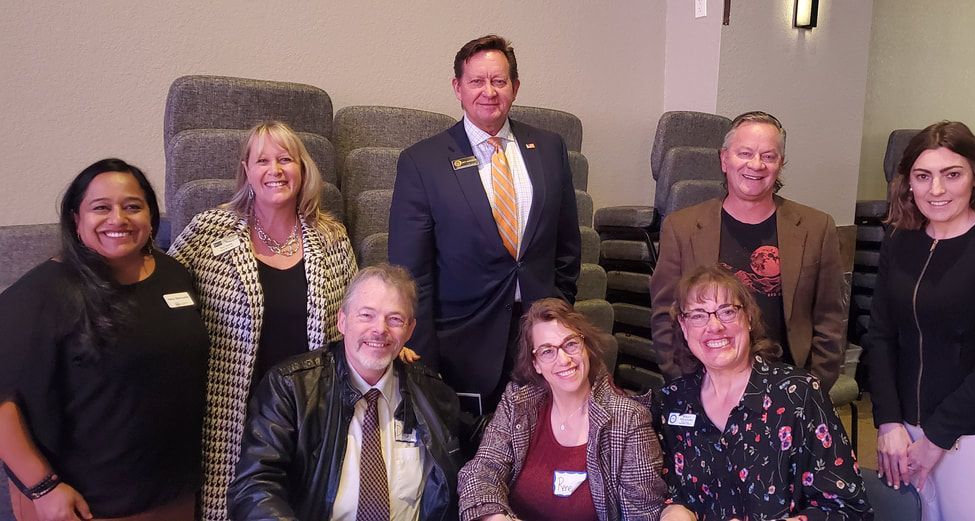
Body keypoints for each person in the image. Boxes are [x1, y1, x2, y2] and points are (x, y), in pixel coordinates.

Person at [0, 159, 209, 520]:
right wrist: (43, 487)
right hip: (82, 503)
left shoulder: (175, 275)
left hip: (173, 494)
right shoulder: (42, 294)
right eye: (101, 208)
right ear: (74, 219)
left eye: (133, 206)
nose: (118, 219)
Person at [169, 120, 356, 520]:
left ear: (303, 170)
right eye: (263, 161)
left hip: (306, 414)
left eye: (286, 159)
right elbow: (162, 289)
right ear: (247, 171)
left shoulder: (331, 236)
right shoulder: (209, 230)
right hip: (227, 411)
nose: (275, 170)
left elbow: (353, 316)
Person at [389, 34, 581, 415]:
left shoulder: (549, 148)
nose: (488, 92)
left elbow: (567, 245)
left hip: (538, 341)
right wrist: (425, 358)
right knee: (467, 467)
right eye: (477, 81)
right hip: (461, 347)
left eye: (499, 81)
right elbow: (411, 272)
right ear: (458, 88)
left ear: (515, 87)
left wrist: (555, 313)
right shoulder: (421, 162)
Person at [865, 121, 975, 520]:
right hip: (905, 434)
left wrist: (937, 437)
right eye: (923, 176)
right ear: (908, 182)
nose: (936, 190)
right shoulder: (900, 240)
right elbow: (881, 336)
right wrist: (889, 420)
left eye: (952, 174)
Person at [228, 264, 465, 520]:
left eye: (394, 319)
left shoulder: (430, 391)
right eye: (366, 315)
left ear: (409, 330)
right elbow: (255, 486)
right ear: (342, 320)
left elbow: (480, 438)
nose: (380, 329)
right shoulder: (291, 387)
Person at [654, 266, 870, 521]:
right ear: (684, 325)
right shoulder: (673, 402)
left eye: (727, 311)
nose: (714, 326)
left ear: (748, 318)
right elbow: (670, 490)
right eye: (698, 315)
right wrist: (674, 511)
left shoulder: (798, 394)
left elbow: (848, 508)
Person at [650, 111, 845, 392]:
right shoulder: (682, 228)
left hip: (789, 388)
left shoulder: (817, 227)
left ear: (780, 164)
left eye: (768, 156)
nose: (756, 165)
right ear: (724, 159)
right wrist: (686, 383)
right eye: (745, 153)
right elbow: (665, 314)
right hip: (707, 385)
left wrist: (813, 386)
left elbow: (829, 318)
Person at [458, 298, 666, 521]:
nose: (564, 359)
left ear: (585, 346)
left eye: (571, 344)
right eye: (547, 351)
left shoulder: (629, 420)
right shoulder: (518, 403)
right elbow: (481, 470)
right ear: (535, 363)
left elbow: (643, 515)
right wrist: (497, 518)